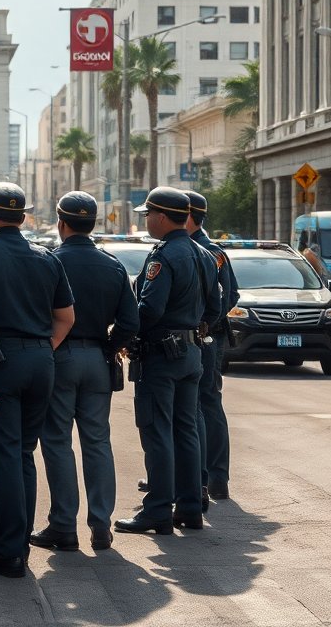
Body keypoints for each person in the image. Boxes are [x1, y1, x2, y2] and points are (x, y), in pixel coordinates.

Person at [0, 182, 75, 577]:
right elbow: (66, 318)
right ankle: (19, 544)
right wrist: (42, 349)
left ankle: (9, 552)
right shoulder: (47, 258)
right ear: (23, 218)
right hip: (42, 361)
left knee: (7, 456)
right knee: (24, 453)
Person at [31, 192, 138, 554]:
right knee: (97, 441)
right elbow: (130, 321)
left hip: (58, 356)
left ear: (61, 223)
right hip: (98, 358)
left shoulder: (48, 262)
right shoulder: (113, 265)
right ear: (92, 224)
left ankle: (63, 525)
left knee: (57, 441)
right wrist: (110, 347)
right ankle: (101, 525)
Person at [115, 187, 219, 536]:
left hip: (161, 355)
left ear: (161, 217)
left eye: (148, 215)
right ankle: (190, 508)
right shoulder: (204, 254)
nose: (146, 220)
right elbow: (215, 308)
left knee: (158, 431)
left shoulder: (163, 256)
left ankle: (158, 510)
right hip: (191, 352)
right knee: (186, 430)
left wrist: (124, 335)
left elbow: (150, 309)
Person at [184, 191, 239, 504]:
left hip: (205, 338)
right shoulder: (206, 250)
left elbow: (229, 296)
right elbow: (232, 295)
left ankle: (211, 477)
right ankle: (208, 477)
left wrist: (205, 323)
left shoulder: (209, 252)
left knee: (203, 403)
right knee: (204, 403)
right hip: (205, 336)